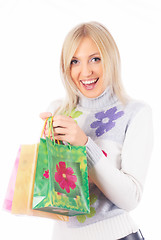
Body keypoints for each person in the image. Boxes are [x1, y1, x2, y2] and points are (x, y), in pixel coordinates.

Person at [40, 21, 153, 240]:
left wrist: (84, 145)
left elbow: (131, 199)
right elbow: (54, 199)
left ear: (110, 59)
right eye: (75, 61)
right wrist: (49, 151)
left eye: (95, 59)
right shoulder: (58, 111)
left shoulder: (136, 112)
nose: (85, 71)